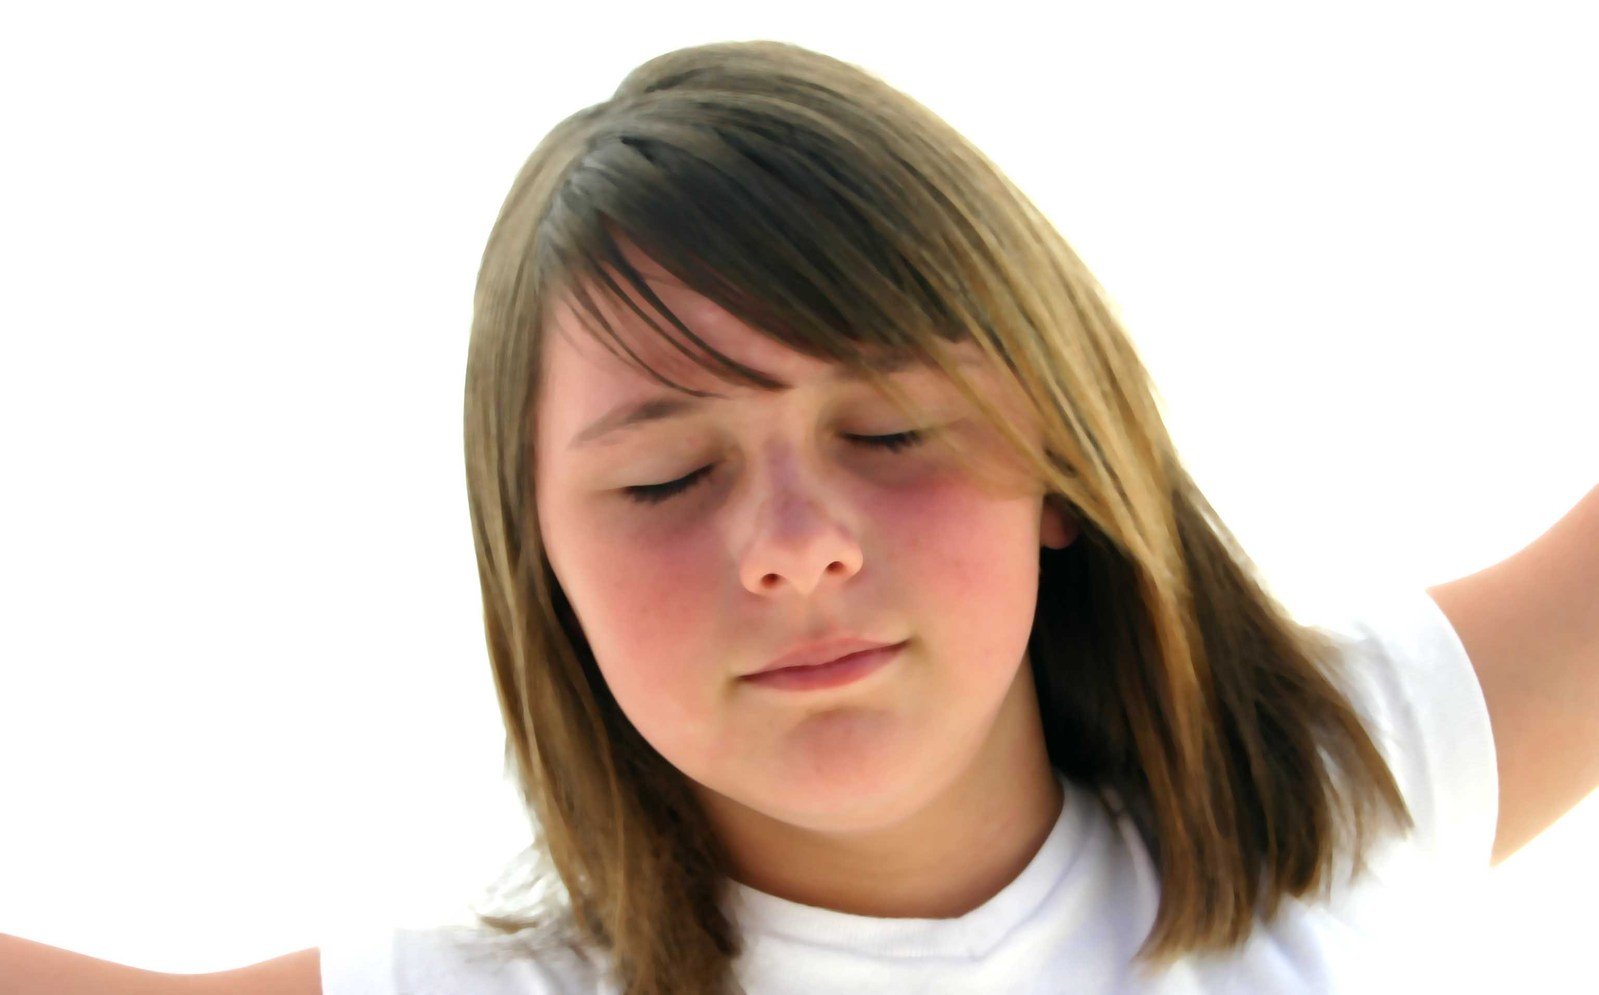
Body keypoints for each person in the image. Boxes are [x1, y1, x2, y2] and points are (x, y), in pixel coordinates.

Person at [4, 38, 1595, 995]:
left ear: (1061, 462)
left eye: (891, 428)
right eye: (663, 480)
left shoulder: (1345, 781)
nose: (796, 542)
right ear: (538, 569)